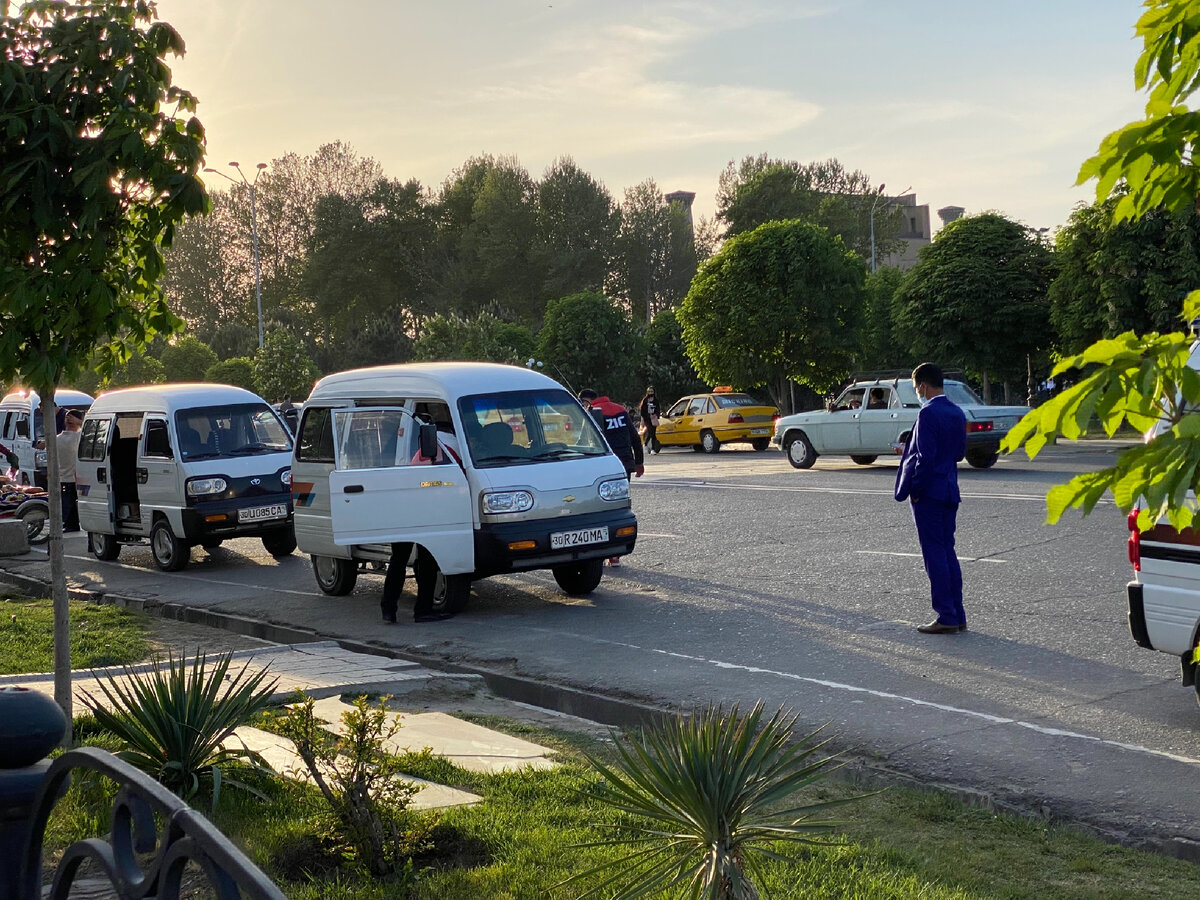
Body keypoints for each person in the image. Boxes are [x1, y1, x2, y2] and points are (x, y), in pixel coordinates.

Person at [894, 363, 967, 634]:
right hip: (950, 488)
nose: (918, 393)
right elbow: (959, 453)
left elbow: (924, 458)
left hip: (929, 493)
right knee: (948, 551)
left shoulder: (927, 414)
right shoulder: (957, 412)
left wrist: (916, 489)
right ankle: (958, 613)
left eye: (916, 389)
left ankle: (946, 615)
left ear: (923, 386)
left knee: (933, 553)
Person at [579, 388, 644, 566]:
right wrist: (639, 462)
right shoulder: (620, 410)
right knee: (619, 507)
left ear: (587, 401)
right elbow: (635, 438)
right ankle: (614, 554)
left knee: (598, 510)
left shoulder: (590, 414)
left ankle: (599, 551)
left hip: (601, 468)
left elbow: (582, 443)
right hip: (624, 465)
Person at [57, 410, 83, 533]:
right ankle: (70, 524)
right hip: (65, 477)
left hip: (82, 478)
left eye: (73, 417)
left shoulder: (82, 436)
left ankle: (76, 523)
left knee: (81, 502)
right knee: (68, 503)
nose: (69, 419)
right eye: (67, 417)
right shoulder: (58, 438)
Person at [638, 386, 661, 455]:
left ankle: (645, 444)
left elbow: (658, 409)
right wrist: (643, 419)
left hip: (653, 419)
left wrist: (656, 415)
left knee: (652, 432)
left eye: (652, 391)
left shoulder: (656, 400)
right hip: (647, 419)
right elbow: (642, 411)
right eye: (649, 391)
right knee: (651, 432)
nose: (651, 393)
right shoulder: (645, 400)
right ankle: (652, 448)